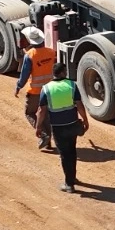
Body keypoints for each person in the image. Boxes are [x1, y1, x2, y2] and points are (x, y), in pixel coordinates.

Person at [35, 62, 90, 193]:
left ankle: (69, 184)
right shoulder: (71, 85)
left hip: (58, 128)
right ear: (62, 73)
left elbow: (42, 111)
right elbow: (79, 105)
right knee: (72, 151)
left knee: (65, 155)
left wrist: (38, 127)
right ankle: (72, 178)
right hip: (72, 125)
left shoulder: (47, 88)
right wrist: (85, 120)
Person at [14, 27, 56, 151]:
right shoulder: (51, 52)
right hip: (50, 90)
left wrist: (18, 86)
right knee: (46, 115)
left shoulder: (30, 55)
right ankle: (48, 142)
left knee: (29, 113)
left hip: (35, 92)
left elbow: (24, 75)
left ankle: (43, 134)